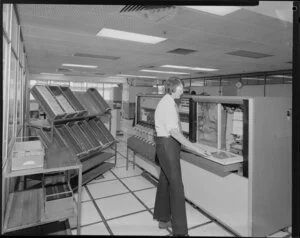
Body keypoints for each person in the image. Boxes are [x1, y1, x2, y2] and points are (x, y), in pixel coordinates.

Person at [153, 76, 210, 236]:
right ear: (175, 88)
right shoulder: (169, 105)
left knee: (165, 182)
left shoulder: (166, 101)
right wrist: (195, 148)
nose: (182, 92)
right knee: (177, 187)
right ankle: (180, 231)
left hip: (163, 144)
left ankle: (163, 220)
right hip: (168, 145)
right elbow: (174, 132)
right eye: (181, 89)